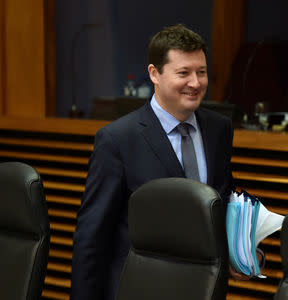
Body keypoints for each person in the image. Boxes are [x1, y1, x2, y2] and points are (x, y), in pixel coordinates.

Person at [71, 24, 250, 300]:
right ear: (155, 74)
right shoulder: (117, 139)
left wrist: (240, 251)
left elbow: (222, 200)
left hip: (205, 288)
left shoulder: (219, 129)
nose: (196, 82)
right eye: (183, 73)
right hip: (142, 289)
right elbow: (91, 237)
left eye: (201, 72)